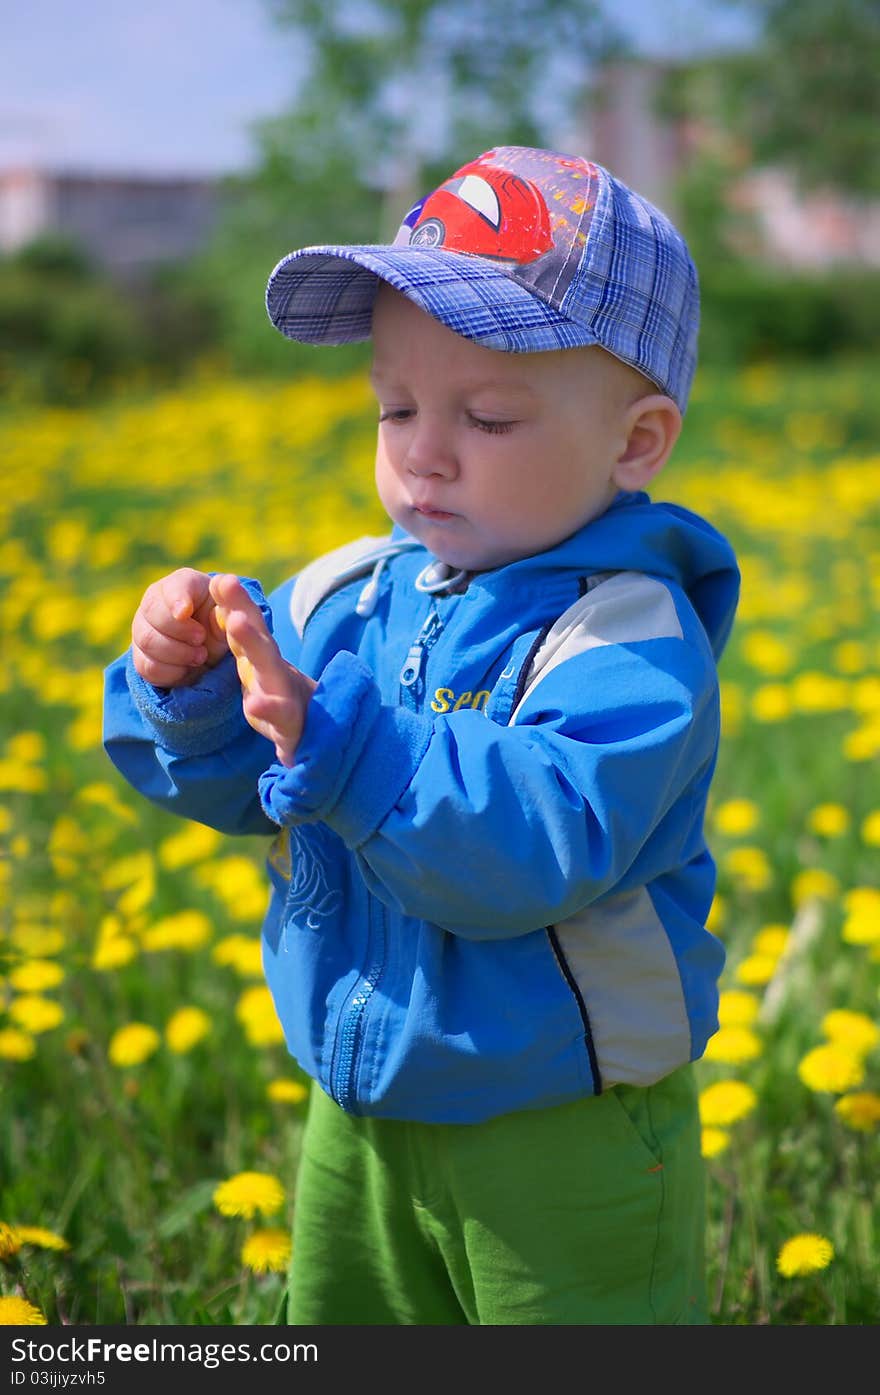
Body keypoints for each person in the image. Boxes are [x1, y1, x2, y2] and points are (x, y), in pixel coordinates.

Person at [103, 145, 740, 1326]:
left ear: (636, 443)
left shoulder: (628, 634)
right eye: (395, 405)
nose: (421, 452)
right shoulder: (350, 590)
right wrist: (184, 689)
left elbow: (542, 838)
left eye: (487, 415)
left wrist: (338, 741)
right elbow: (236, 781)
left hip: (561, 1120)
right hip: (361, 1099)